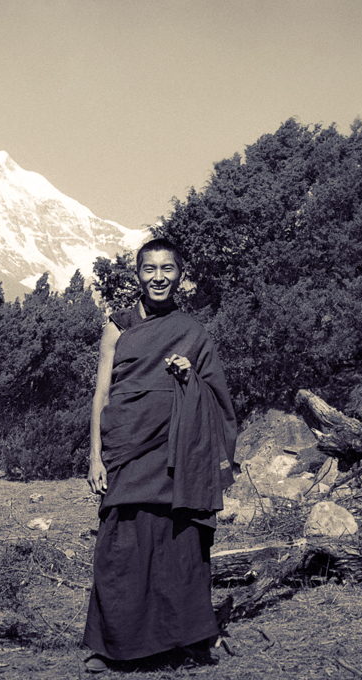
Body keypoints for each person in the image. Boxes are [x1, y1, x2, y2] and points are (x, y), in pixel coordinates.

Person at [82, 238, 237, 672]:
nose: (158, 277)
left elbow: (216, 395)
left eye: (167, 269)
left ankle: (185, 639)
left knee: (181, 545)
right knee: (119, 547)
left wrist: (191, 379)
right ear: (137, 274)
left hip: (177, 453)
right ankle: (112, 646)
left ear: (180, 275)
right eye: (150, 268)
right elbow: (102, 392)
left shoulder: (193, 332)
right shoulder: (117, 326)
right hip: (128, 447)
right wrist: (95, 456)